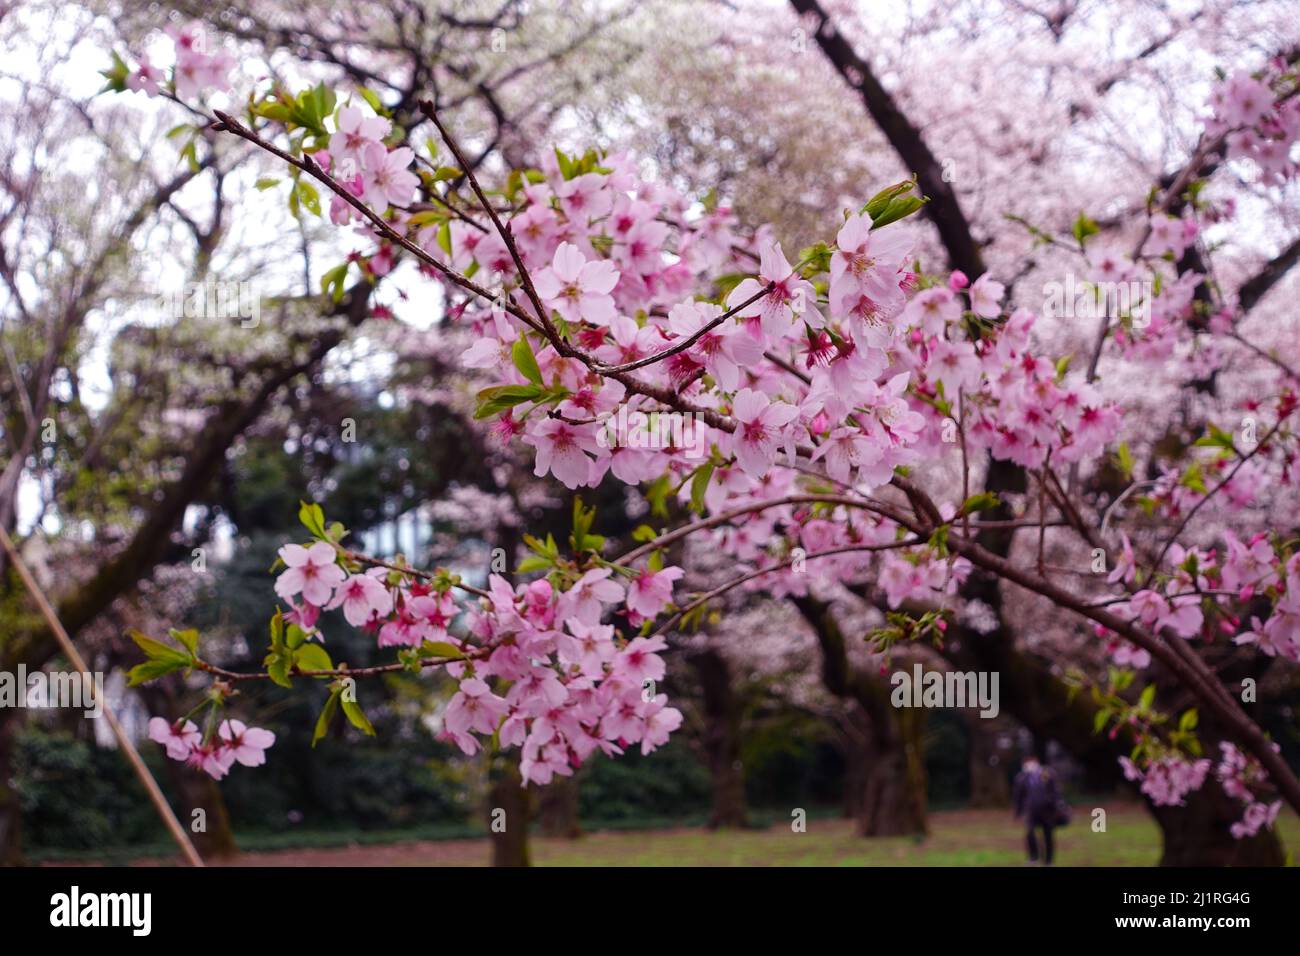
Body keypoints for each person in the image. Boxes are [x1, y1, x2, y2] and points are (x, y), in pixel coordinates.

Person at [1012, 756, 1065, 865]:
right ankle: (1033, 857)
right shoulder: (1022, 778)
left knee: (1048, 835)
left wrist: (1058, 805)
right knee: (1030, 833)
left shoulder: (1047, 773)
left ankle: (1048, 860)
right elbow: (1018, 796)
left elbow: (1055, 791)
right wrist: (1018, 812)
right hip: (1031, 811)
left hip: (1047, 811)